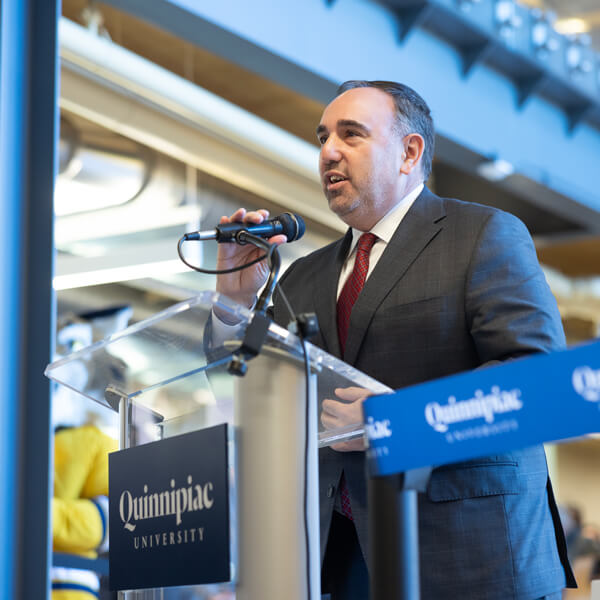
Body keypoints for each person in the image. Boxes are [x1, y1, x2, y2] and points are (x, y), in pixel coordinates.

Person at [215, 80, 575, 599]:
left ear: (410, 152)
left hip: (473, 559)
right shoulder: (301, 277)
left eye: (351, 134)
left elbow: (539, 383)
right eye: (322, 138)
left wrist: (400, 422)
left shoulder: (482, 235)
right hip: (341, 564)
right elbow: (244, 396)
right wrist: (233, 303)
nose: (328, 152)